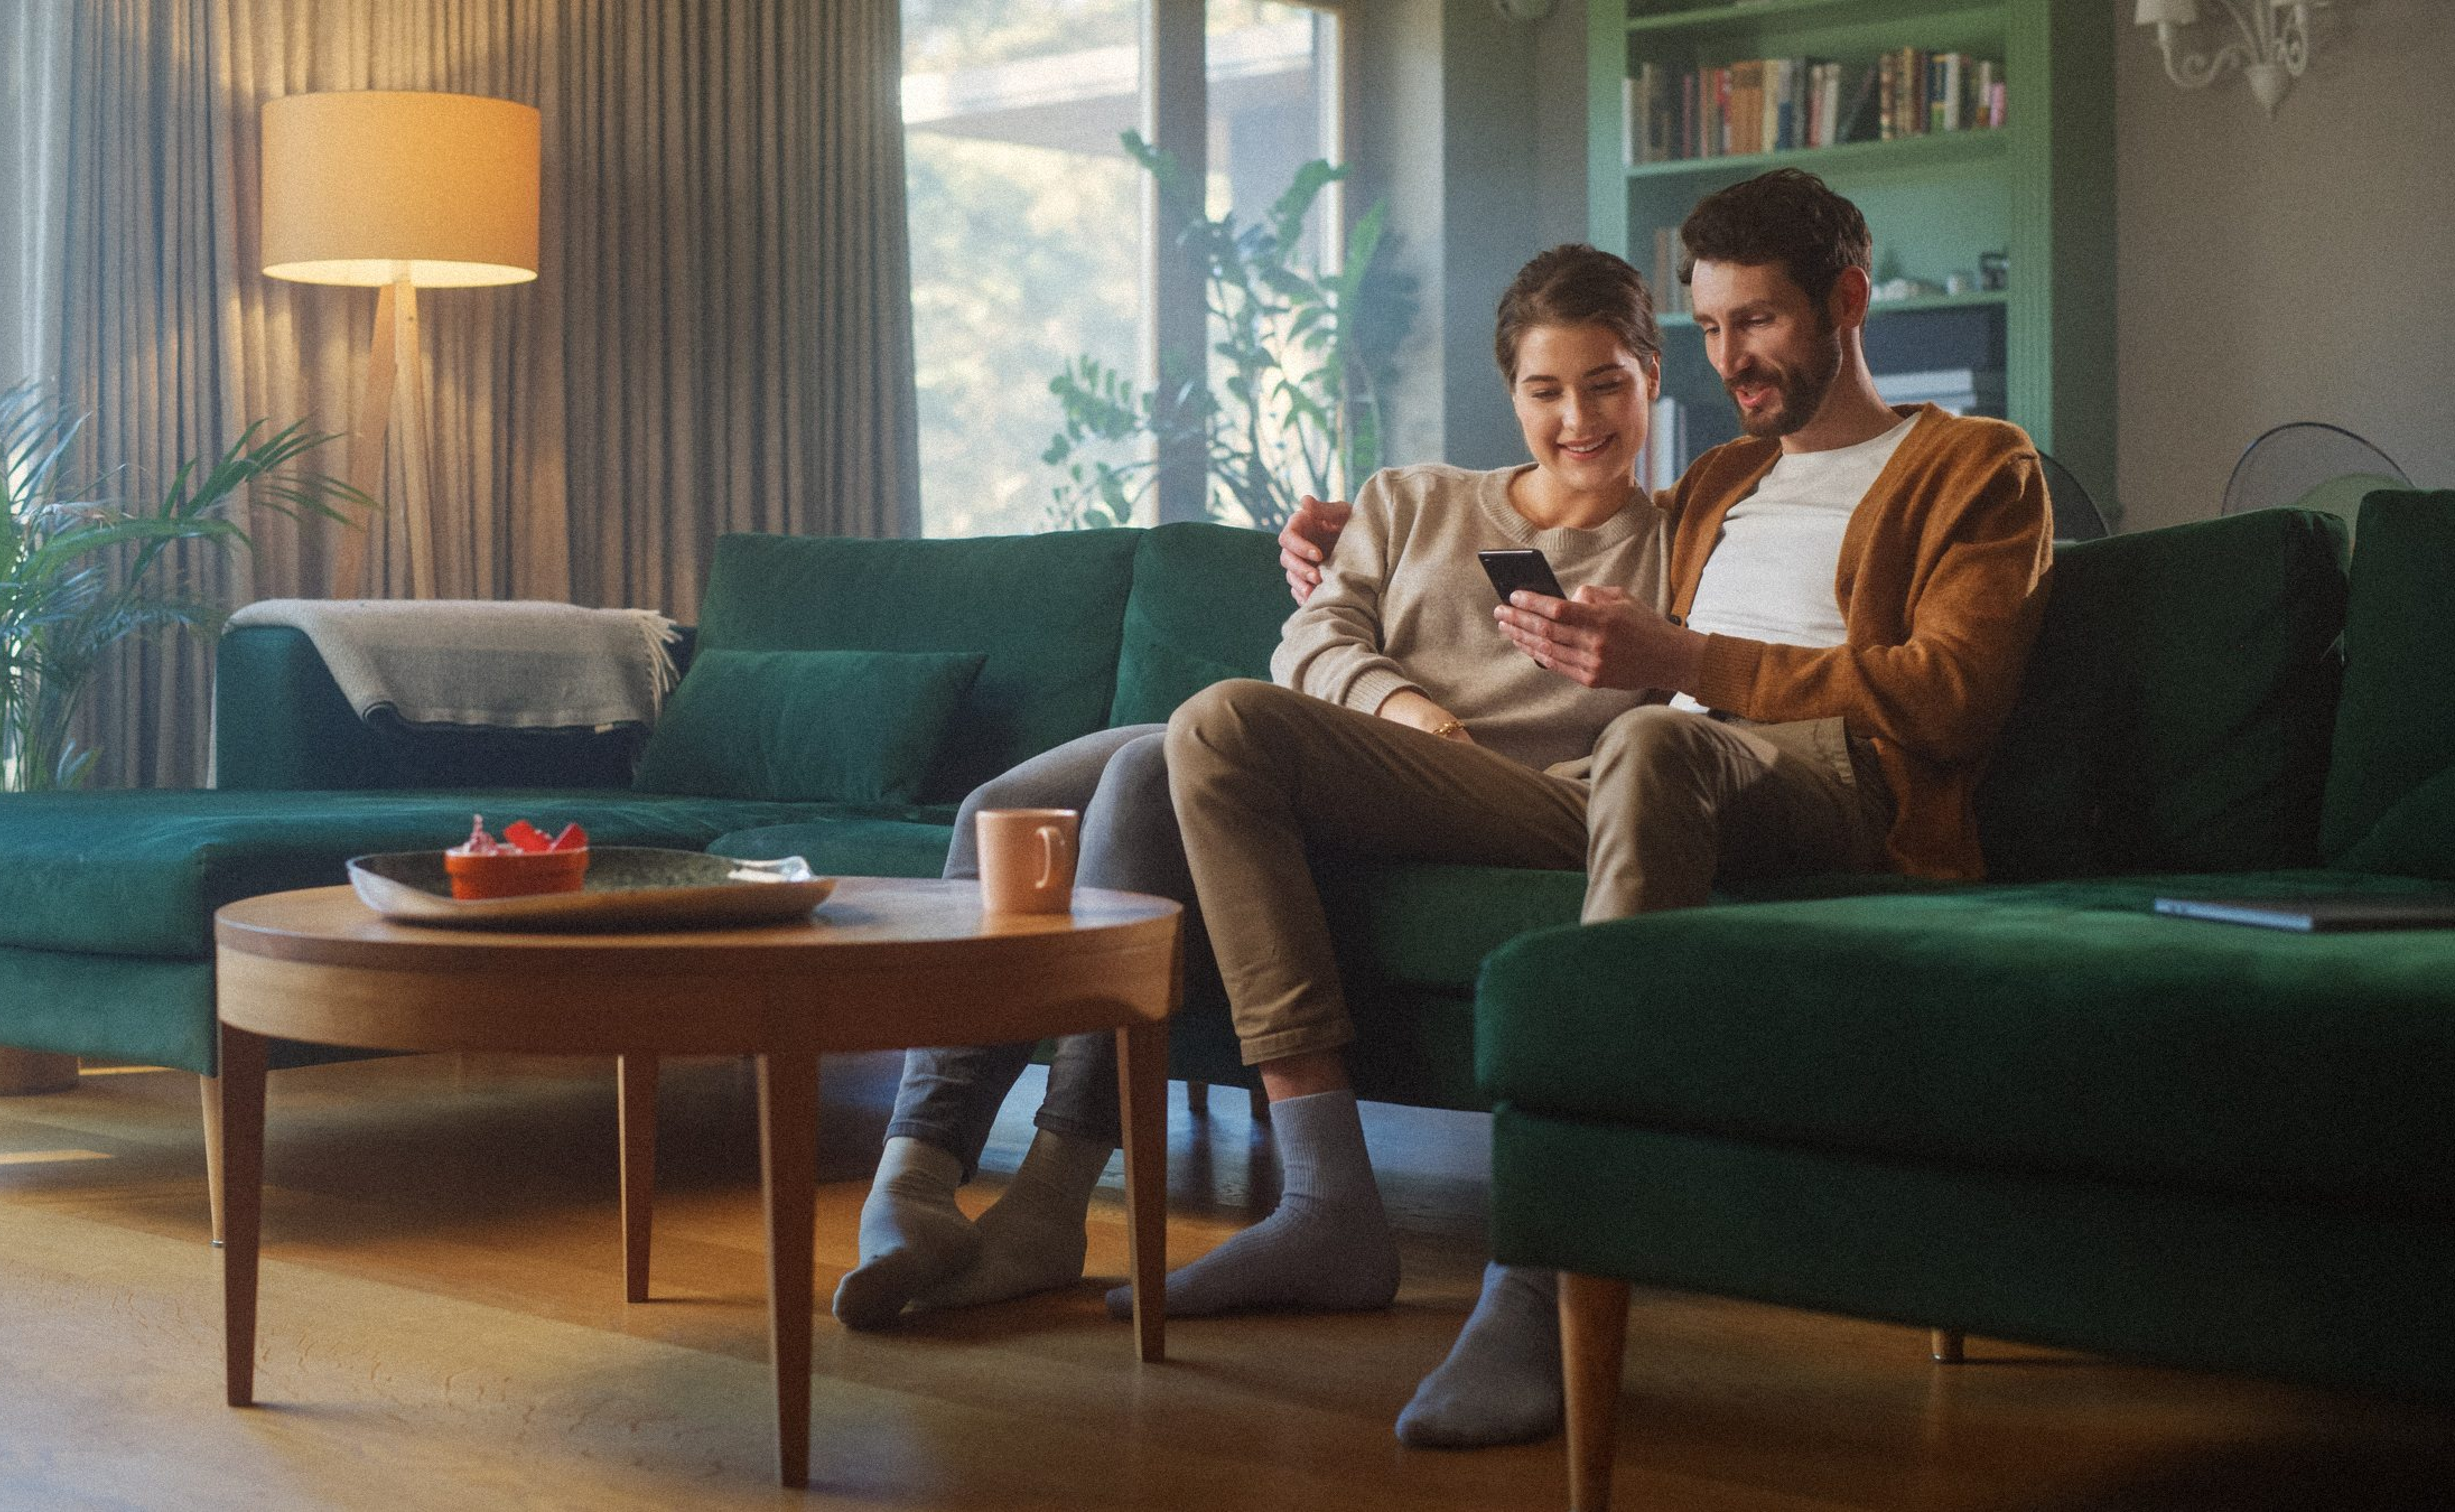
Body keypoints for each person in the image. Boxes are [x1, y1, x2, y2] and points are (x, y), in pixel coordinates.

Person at [1160, 166, 2054, 1449]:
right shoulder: (1719, 486)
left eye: (1762, 321)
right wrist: (1348, 532)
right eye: (1712, 325)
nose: (1732, 356)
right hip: (1633, 779)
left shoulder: (1974, 464)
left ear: (1849, 300)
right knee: (1224, 725)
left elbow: (1954, 695)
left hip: (1830, 784)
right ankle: (1325, 1203)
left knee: (1650, 742)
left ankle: (1540, 1269)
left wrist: (1688, 667)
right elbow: (1568, 517)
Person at [833, 242, 1678, 1332]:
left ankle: (1048, 1200)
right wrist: (1412, 713)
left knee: (1152, 768)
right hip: (1341, 743)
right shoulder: (1413, 499)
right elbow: (1312, 644)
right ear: (1509, 390)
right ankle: (912, 1174)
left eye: (1607, 382)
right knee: (1005, 809)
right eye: (1545, 389)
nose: (1579, 418)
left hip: (1492, 797)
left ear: (1653, 372)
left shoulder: (1677, 546)